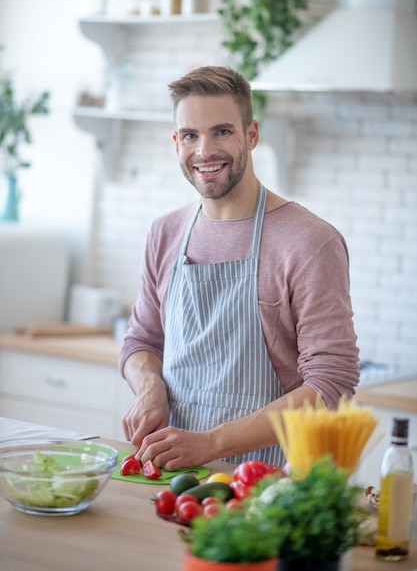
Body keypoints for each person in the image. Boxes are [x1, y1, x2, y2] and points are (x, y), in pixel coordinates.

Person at [119, 65, 359, 470]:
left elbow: (331, 386)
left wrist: (212, 443)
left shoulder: (310, 243)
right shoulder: (165, 233)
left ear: (251, 134)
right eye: (191, 135)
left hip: (275, 482)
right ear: (176, 142)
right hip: (175, 474)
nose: (204, 151)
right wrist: (149, 388)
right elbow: (141, 341)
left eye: (222, 131)